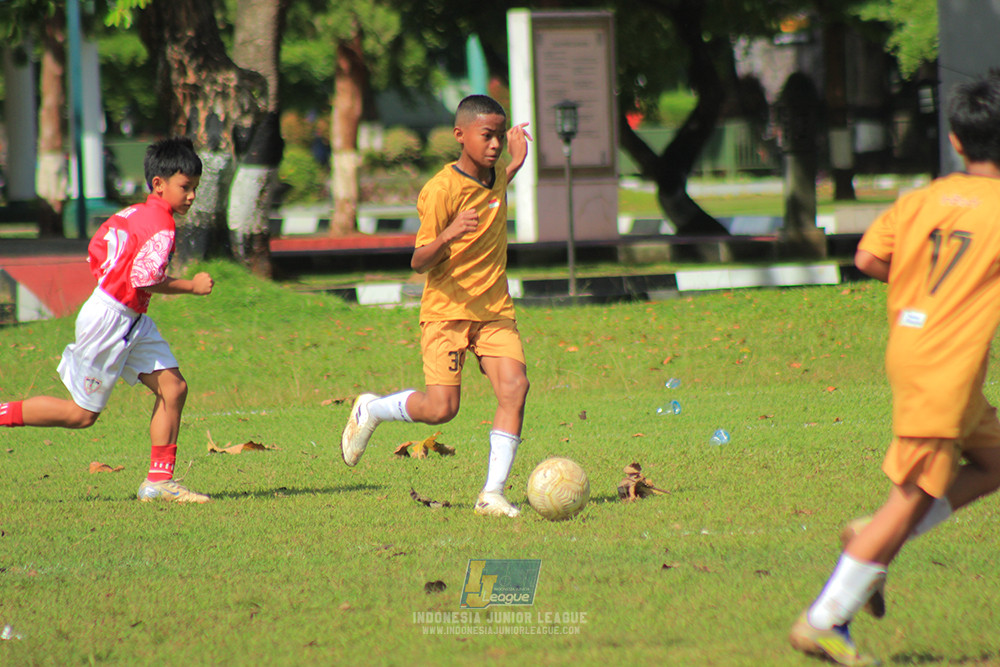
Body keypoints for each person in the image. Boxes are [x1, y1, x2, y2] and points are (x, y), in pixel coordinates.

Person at [789, 71, 1000, 665]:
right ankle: (825, 618)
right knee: (908, 497)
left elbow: (866, 255)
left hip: (914, 352)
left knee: (994, 459)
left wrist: (923, 297)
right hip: (948, 367)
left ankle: (871, 535)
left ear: (956, 141)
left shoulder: (922, 199)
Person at [340, 95, 532, 517]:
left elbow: (502, 179)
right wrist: (450, 233)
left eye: (500, 136)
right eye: (488, 136)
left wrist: (518, 156)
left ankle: (492, 493)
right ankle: (372, 408)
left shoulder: (496, 174)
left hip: (495, 309)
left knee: (515, 387)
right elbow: (419, 260)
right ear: (460, 136)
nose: (496, 144)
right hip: (447, 311)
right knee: (441, 409)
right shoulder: (440, 190)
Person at [1, 137, 214, 504]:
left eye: (195, 187)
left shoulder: (131, 214)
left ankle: (158, 483)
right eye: (185, 187)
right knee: (81, 415)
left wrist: (110, 283)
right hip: (112, 321)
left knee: (174, 388)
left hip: (128, 316)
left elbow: (97, 248)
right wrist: (192, 286)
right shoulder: (161, 225)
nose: (192, 196)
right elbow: (145, 278)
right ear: (158, 184)